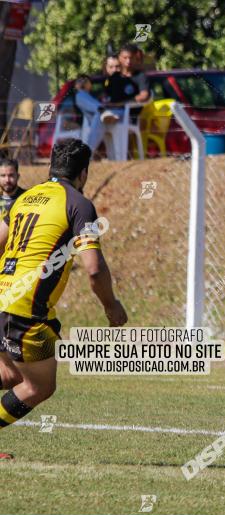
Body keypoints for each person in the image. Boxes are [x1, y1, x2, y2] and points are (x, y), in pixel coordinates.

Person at [0, 139, 128, 459]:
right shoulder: (78, 204)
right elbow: (94, 270)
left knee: (14, 376)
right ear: (83, 173)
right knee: (39, 387)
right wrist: (112, 307)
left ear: (51, 166)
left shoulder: (24, 198)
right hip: (25, 310)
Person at [72, 76, 118, 156]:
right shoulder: (79, 96)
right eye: (79, 80)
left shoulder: (94, 93)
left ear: (90, 84)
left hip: (114, 115)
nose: (82, 82)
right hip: (100, 120)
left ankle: (85, 156)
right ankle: (102, 111)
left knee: (98, 116)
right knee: (99, 116)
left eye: (85, 80)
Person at [0, 158, 25, 224]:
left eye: (11, 175)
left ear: (18, 176)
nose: (7, 180)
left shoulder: (26, 198)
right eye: (3, 175)